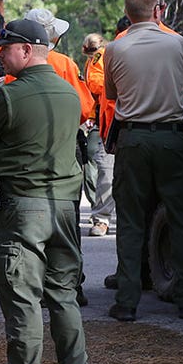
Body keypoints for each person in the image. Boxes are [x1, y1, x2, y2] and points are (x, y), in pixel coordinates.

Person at [0, 18, 103, 364]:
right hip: (64, 209)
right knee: (63, 295)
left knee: (23, 296)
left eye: (5, 48)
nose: (0, 56)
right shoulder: (69, 93)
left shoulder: (7, 96)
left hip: (22, 209)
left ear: (27, 50)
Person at [104, 0, 183, 322]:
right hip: (173, 139)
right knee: (182, 218)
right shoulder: (177, 43)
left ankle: (127, 302)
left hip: (133, 140)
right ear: (158, 10)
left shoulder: (115, 48)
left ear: (128, 14)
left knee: (130, 221)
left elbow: (112, 91)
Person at [81, 33, 115, 236]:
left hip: (110, 118)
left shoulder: (101, 57)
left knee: (105, 168)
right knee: (105, 167)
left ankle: (101, 217)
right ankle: (101, 217)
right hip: (107, 117)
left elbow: (95, 84)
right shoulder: (105, 55)